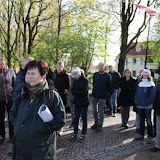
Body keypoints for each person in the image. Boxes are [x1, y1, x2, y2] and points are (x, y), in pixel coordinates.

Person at [10, 60, 66, 160]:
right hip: (20, 149)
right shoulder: (23, 93)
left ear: (43, 75)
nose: (29, 76)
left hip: (41, 151)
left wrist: (40, 129)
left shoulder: (52, 95)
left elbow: (60, 120)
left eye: (33, 73)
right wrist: (19, 126)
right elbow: (13, 113)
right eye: (28, 73)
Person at [135, 69, 155, 144]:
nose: (145, 76)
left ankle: (150, 135)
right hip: (140, 105)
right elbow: (137, 94)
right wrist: (137, 101)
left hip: (147, 106)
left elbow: (152, 96)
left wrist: (147, 103)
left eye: (146, 75)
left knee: (149, 121)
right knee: (141, 121)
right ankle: (141, 134)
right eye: (144, 75)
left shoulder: (151, 84)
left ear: (148, 76)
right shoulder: (140, 84)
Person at [70, 67, 89, 140]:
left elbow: (84, 92)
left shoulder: (85, 81)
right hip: (77, 101)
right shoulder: (75, 81)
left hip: (84, 102)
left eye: (75, 77)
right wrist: (78, 92)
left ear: (79, 75)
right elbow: (72, 90)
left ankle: (83, 133)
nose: (74, 78)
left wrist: (76, 92)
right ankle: (75, 132)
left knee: (84, 118)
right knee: (76, 117)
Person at [91, 62, 111, 131]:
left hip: (103, 96)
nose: (101, 67)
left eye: (102, 66)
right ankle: (96, 122)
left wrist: (106, 95)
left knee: (101, 111)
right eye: (99, 66)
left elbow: (109, 86)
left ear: (104, 67)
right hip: (95, 95)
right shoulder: (95, 74)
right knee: (94, 110)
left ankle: (100, 124)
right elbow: (94, 83)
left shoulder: (107, 76)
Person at [0, 58, 16, 143]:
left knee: (11, 116)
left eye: (3, 64)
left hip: (10, 98)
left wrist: (13, 95)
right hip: (0, 99)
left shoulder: (10, 72)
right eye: (0, 64)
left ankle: (11, 135)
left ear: (5, 63)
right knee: (1, 118)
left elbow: (15, 84)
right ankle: (2, 135)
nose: (2, 65)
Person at [151, 75, 160, 152]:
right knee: (158, 129)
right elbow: (155, 98)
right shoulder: (158, 86)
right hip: (158, 111)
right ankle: (157, 145)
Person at [134, 68, 145, 133]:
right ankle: (138, 126)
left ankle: (142, 125)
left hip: (145, 101)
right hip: (138, 101)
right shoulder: (137, 82)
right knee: (138, 114)